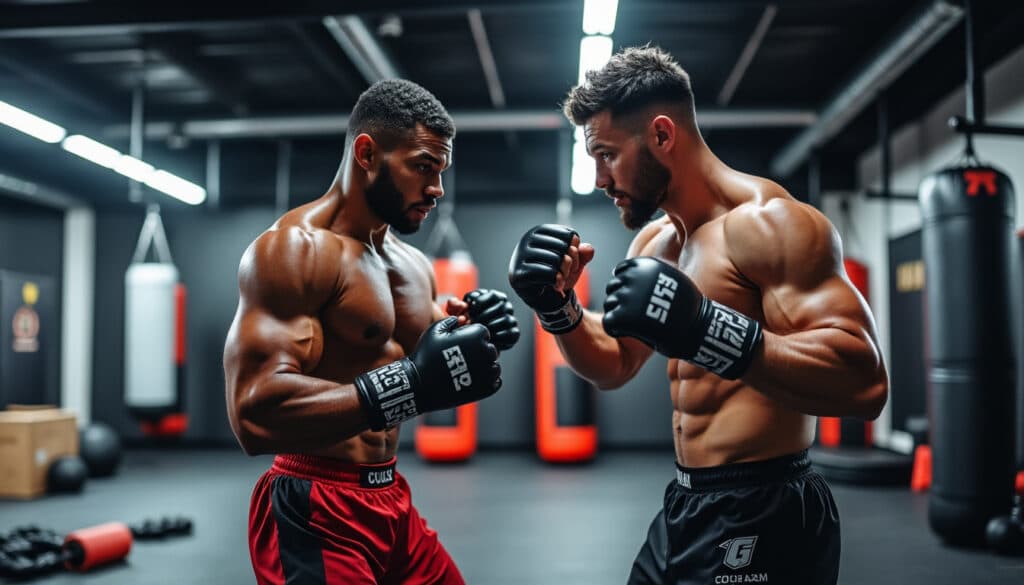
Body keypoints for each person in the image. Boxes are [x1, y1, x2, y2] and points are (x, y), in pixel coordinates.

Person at [508, 46, 888, 584]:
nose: (598, 178)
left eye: (607, 155)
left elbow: (865, 383)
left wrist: (708, 329)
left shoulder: (770, 224)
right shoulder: (654, 244)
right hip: (686, 504)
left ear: (662, 136)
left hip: (767, 506)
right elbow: (615, 362)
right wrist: (560, 308)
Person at [224, 79, 519, 585]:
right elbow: (252, 412)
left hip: (389, 498)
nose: (437, 188)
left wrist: (478, 326)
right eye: (423, 167)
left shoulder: (414, 264)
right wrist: (412, 384)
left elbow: (424, 351)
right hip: (313, 503)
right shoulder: (293, 251)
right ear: (367, 152)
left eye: (441, 170)